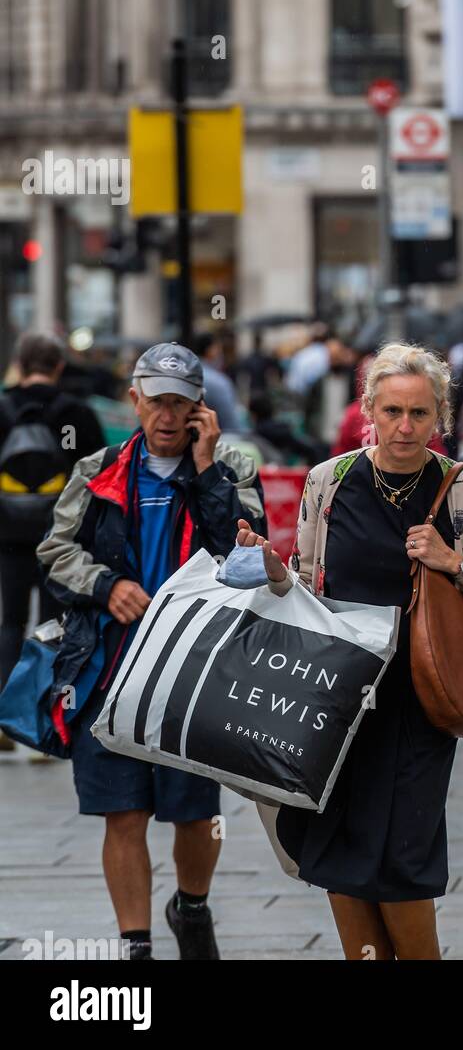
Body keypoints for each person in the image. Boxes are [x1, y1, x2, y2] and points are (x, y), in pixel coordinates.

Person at [242, 342, 463, 961]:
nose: (406, 427)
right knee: (337, 853)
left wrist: (454, 564)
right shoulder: (329, 482)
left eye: (421, 414)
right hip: (338, 702)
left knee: (404, 858)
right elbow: (306, 589)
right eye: (393, 411)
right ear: (368, 409)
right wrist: (273, 572)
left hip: (420, 704)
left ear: (441, 418)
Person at [36, 342, 267, 960]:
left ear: (200, 409)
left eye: (181, 403)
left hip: (192, 677)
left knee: (195, 815)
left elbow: (246, 562)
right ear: (133, 400)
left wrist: (209, 467)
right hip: (108, 669)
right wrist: (107, 586)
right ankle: (135, 945)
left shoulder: (232, 469)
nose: (167, 416)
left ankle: (191, 905)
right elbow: (55, 555)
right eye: (156, 401)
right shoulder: (97, 471)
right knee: (124, 813)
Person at [0, 333, 106, 751]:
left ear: (20, 365)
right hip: (60, 538)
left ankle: (3, 716)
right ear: (59, 367)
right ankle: (48, 719)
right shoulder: (75, 412)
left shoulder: (3, 409)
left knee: (9, 623)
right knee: (54, 626)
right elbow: (99, 475)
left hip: (7, 533)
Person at [199, 332, 246, 433]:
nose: (220, 354)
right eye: (218, 349)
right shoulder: (218, 382)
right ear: (210, 350)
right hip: (215, 444)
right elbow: (232, 426)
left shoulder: (181, 376)